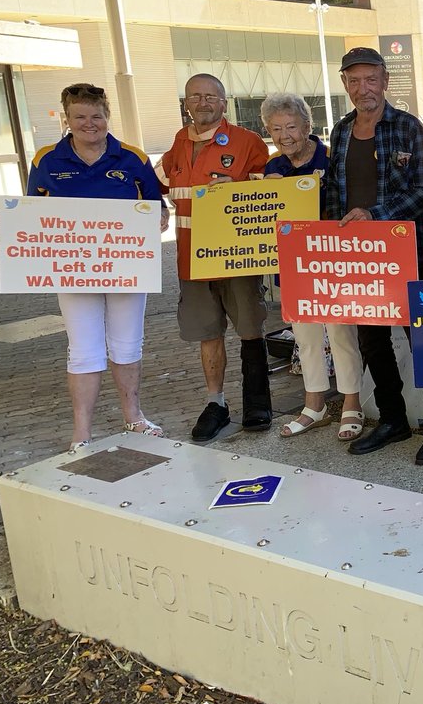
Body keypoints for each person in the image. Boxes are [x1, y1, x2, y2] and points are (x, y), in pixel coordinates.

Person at [322, 46, 423, 463]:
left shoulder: (409, 129)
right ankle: (393, 420)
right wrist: (326, 236)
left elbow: (421, 193)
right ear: (345, 84)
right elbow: (331, 191)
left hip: (406, 256)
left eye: (371, 79)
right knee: (373, 343)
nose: (364, 88)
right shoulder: (342, 131)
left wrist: (373, 215)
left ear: (385, 81)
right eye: (355, 80)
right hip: (357, 260)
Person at [14, 83, 168, 449]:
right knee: (83, 349)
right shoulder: (46, 160)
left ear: (107, 116)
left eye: (96, 116)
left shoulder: (133, 158)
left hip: (126, 268)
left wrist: (160, 216)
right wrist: (13, 221)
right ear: (66, 119)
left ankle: (134, 417)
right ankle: (81, 433)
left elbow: (156, 205)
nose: (89, 123)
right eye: (79, 116)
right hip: (73, 271)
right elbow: (32, 212)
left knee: (127, 345)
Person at [159, 74, 273, 441]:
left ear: (224, 103)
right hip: (193, 260)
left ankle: (258, 401)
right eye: (195, 96)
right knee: (208, 332)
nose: (203, 102)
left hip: (236, 256)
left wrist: (237, 189)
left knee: (250, 327)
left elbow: (272, 192)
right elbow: (146, 185)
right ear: (186, 103)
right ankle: (216, 404)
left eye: (211, 96)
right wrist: (155, 208)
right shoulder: (176, 147)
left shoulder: (248, 143)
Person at [260, 92, 365, 442]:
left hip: (333, 261)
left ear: (307, 126)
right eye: (275, 129)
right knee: (304, 337)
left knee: (341, 333)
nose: (284, 135)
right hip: (294, 265)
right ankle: (313, 404)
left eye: (291, 126)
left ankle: (352, 403)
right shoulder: (272, 168)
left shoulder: (332, 158)